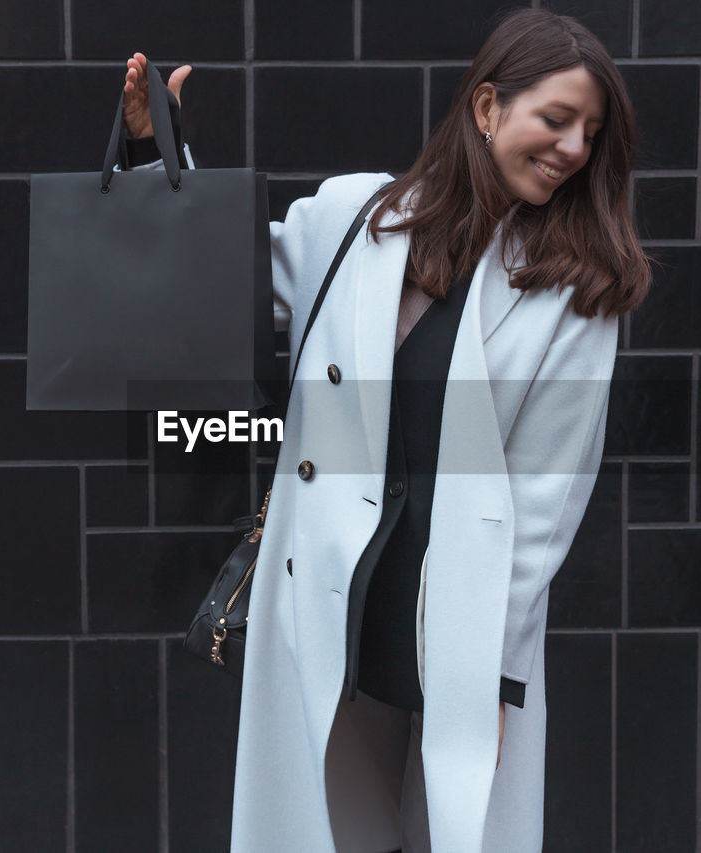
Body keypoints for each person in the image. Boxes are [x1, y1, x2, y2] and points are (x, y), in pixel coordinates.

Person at [121, 8, 649, 852]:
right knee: (323, 829)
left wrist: (500, 679)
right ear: (487, 108)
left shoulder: (575, 292)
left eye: (591, 131)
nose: (575, 149)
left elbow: (546, 501)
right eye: (556, 119)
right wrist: (162, 157)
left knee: (449, 827)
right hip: (332, 601)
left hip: (454, 622)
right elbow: (217, 286)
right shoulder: (353, 219)